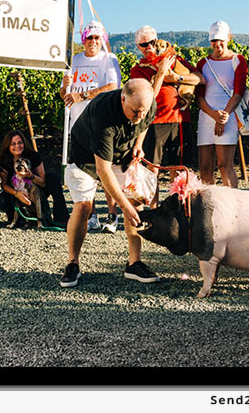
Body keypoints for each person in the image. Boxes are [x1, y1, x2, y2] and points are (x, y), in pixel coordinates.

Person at [59, 78, 158, 288]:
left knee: (136, 201)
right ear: (123, 98)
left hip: (121, 152)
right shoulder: (104, 113)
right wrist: (123, 207)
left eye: (143, 111)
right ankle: (72, 263)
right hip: (85, 155)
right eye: (134, 112)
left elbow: (145, 124)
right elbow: (103, 169)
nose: (139, 116)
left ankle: (134, 263)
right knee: (84, 205)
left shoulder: (146, 104)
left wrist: (138, 145)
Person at [129, 25, 203, 207]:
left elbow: (199, 78)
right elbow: (148, 98)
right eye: (143, 44)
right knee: (152, 169)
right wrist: (161, 72)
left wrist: (176, 78)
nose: (148, 47)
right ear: (138, 46)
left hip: (179, 120)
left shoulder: (175, 59)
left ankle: (178, 209)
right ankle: (153, 211)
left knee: (178, 170)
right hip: (154, 121)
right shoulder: (138, 70)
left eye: (152, 43)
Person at [59, 20, 122, 233]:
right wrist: (66, 89)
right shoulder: (74, 61)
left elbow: (113, 86)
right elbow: (63, 94)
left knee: (105, 169)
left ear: (102, 39)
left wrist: (83, 95)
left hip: (102, 122)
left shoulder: (108, 59)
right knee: (86, 170)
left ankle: (112, 216)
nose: (92, 42)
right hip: (79, 124)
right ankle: (92, 215)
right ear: (83, 40)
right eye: (89, 38)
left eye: (96, 38)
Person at [195, 21, 247, 188]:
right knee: (204, 168)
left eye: (221, 40)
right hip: (207, 116)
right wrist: (213, 114)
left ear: (229, 38)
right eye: (213, 41)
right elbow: (199, 96)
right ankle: (210, 205)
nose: (217, 44)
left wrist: (223, 115)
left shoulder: (238, 60)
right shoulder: (202, 63)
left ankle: (233, 206)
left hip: (228, 115)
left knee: (225, 166)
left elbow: (238, 92)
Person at [0, 129, 69, 228]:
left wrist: (30, 176)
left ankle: (61, 218)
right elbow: (4, 185)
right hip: (16, 191)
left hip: (36, 189)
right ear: (8, 146)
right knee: (2, 200)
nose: (17, 146)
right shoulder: (4, 160)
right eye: (13, 144)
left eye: (20, 143)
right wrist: (17, 194)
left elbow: (43, 183)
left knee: (52, 177)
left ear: (24, 143)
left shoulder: (33, 155)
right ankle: (19, 219)